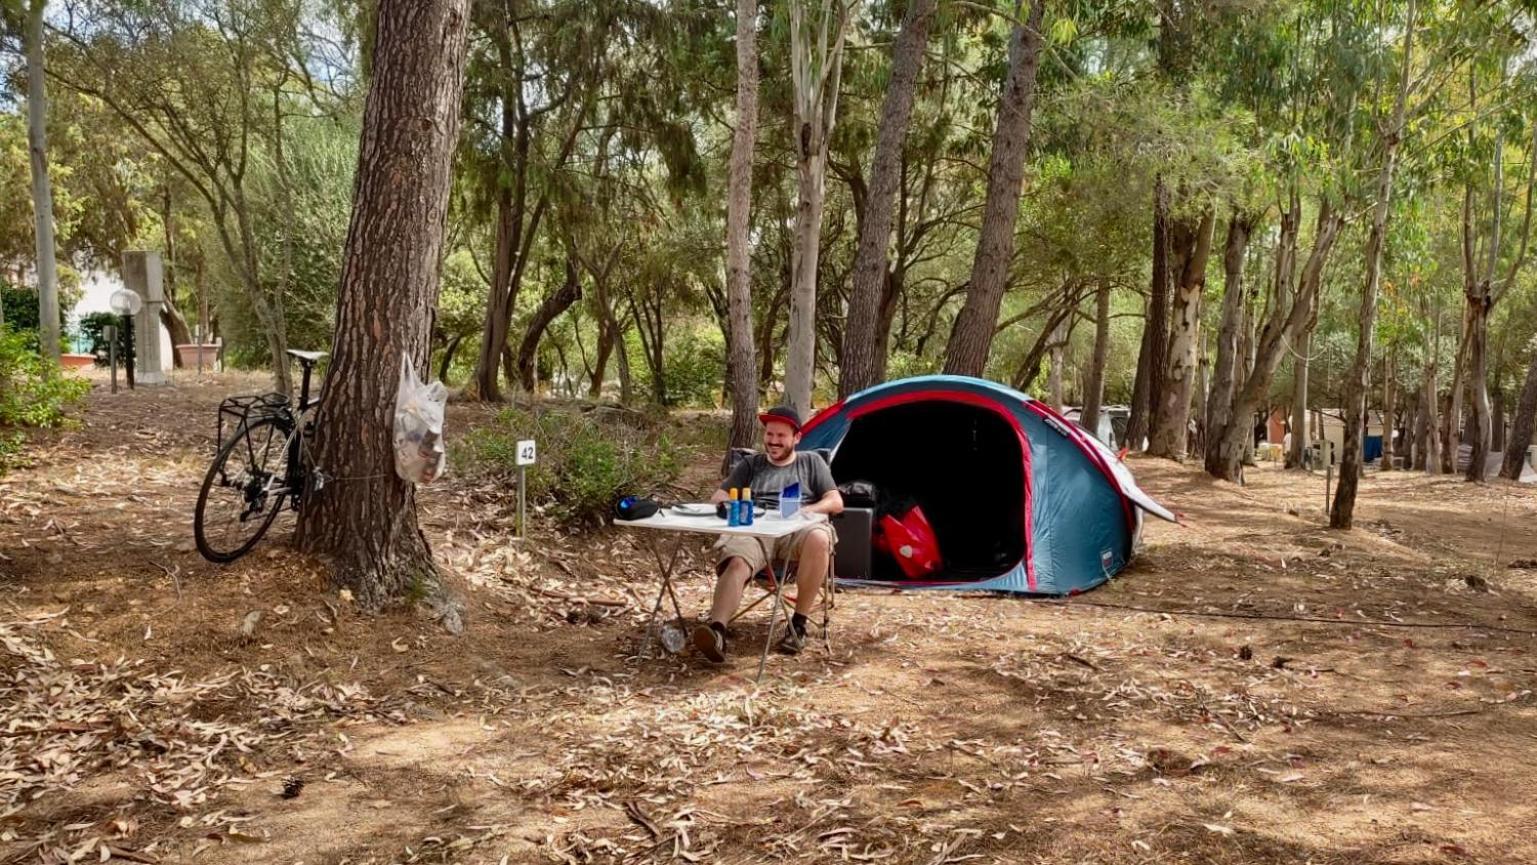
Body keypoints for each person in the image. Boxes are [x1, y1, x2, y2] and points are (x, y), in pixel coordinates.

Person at [694, 406, 843, 662]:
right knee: (738, 559)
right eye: (769, 434)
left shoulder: (811, 462)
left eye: (781, 436)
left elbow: (835, 501)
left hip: (797, 528)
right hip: (757, 529)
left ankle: (797, 624)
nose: (773, 441)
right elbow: (718, 497)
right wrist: (728, 505)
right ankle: (717, 631)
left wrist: (808, 510)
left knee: (820, 537)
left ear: (796, 438)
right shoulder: (751, 465)